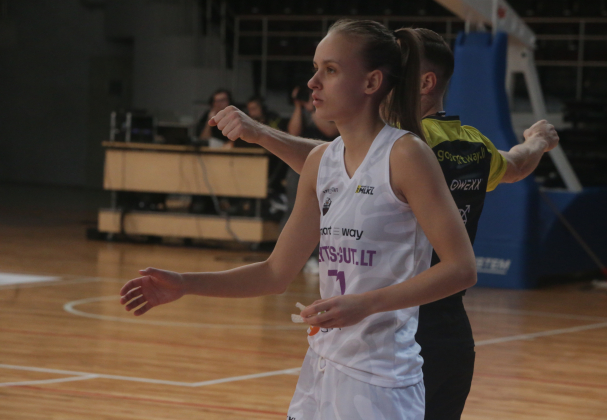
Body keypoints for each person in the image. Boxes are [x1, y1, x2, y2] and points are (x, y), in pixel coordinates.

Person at [120, 20, 478, 420]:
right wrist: (186, 283)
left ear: (372, 81)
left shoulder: (407, 154)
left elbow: (461, 268)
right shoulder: (320, 162)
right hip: (319, 374)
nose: (313, 82)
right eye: (315, 68)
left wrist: (366, 304)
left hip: (382, 383)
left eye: (330, 70)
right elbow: (275, 273)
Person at [208, 28, 560, 420]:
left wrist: (260, 133)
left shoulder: (406, 148)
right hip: (446, 331)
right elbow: (517, 164)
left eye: (398, 70)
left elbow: (331, 163)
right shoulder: (472, 145)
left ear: (419, 82)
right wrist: (538, 141)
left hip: (395, 330)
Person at [285, 85, 339, 274]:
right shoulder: (302, 111)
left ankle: (317, 256)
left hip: (328, 167)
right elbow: (293, 132)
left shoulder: (328, 109)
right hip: (300, 166)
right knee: (293, 210)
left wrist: (312, 110)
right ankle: (291, 258)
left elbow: (330, 131)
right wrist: (298, 106)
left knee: (322, 213)